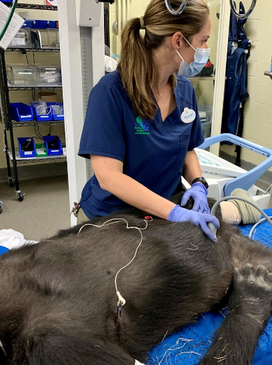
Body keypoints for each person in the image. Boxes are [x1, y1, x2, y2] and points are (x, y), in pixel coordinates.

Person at [75, 0, 221, 240]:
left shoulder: (184, 91)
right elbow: (109, 177)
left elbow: (188, 149)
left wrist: (198, 183)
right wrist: (174, 213)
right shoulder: (111, 92)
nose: (206, 49)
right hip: (112, 216)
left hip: (161, 211)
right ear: (178, 41)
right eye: (203, 41)